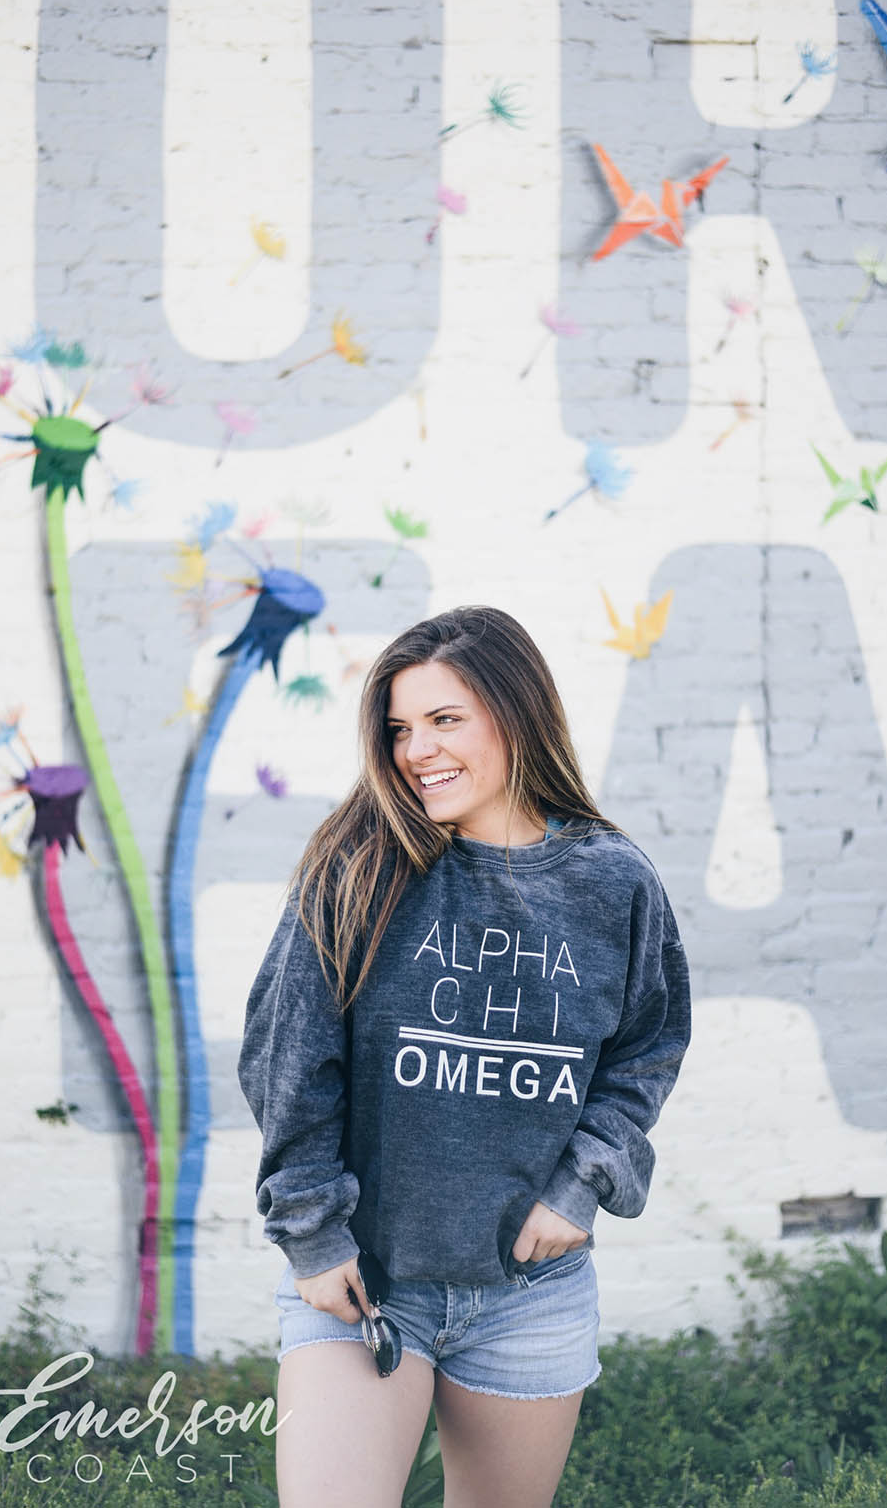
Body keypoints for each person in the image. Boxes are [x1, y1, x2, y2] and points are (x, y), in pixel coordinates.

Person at [237, 605, 691, 1508]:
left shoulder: (613, 882)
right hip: (368, 1281)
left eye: (446, 720)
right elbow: (285, 1059)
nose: (418, 751)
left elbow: (646, 1049)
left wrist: (583, 1183)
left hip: (531, 1293)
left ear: (517, 713)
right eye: (400, 728)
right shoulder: (357, 866)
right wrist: (314, 1234)